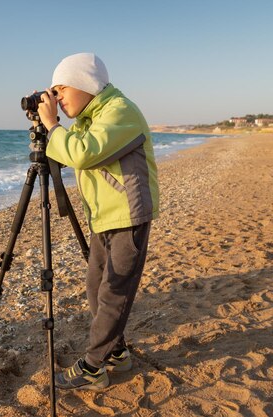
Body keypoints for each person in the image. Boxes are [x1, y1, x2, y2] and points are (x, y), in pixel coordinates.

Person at [34, 52, 159, 390]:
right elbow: (75, 149)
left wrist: (53, 127)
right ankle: (116, 354)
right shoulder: (91, 119)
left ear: (85, 84)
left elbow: (83, 153)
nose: (57, 100)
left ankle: (92, 367)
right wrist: (52, 132)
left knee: (114, 291)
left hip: (128, 216)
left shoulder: (120, 112)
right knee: (96, 287)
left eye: (61, 90)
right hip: (104, 218)